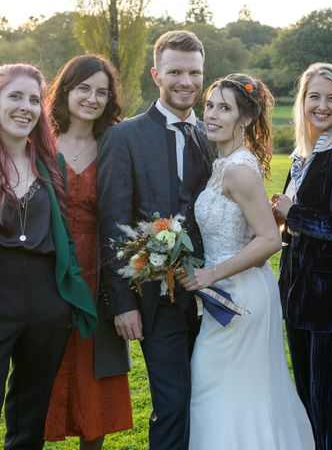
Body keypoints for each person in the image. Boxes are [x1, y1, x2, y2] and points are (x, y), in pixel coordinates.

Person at [0, 63, 98, 449]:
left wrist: (71, 289)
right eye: (15, 96)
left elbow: (64, 238)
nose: (25, 107)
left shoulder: (51, 162)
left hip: (49, 307)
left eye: (33, 100)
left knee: (29, 430)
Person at [177, 73, 314, 449]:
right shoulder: (221, 163)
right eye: (210, 106)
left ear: (246, 118)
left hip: (241, 297)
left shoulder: (238, 169)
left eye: (225, 108)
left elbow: (270, 240)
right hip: (223, 291)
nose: (213, 115)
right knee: (222, 391)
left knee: (223, 390)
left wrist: (211, 275)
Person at [98, 30, 214, 450]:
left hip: (213, 294)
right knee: (172, 402)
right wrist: (123, 304)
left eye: (195, 72)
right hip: (153, 298)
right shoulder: (124, 137)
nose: (187, 82)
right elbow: (112, 223)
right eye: (176, 72)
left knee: (208, 400)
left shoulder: (214, 136)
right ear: (156, 75)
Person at [272, 63, 332, 450]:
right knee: (307, 402)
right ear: (303, 101)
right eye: (315, 97)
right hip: (297, 296)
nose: (323, 105)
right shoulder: (304, 154)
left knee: (331, 408)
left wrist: (290, 212)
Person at [45, 55, 133, 449]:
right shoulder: (39, 141)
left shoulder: (115, 143)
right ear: (65, 90)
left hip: (99, 277)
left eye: (102, 91)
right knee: (41, 377)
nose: (93, 98)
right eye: (84, 88)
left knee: (94, 382)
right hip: (46, 274)